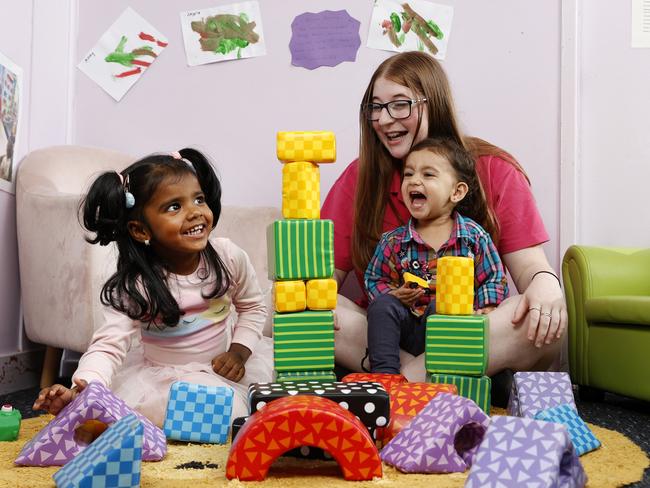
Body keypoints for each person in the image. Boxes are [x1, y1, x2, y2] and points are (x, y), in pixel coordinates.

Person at [321, 51, 566, 380]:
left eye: (400, 104)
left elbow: (531, 270)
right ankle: (428, 379)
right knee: (293, 307)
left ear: (432, 103)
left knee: (533, 317)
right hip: (388, 336)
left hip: (464, 330)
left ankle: (398, 385)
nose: (384, 119)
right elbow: (322, 282)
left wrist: (547, 288)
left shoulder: (495, 169)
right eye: (376, 107)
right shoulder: (360, 177)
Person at [32, 148, 273, 426]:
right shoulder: (138, 283)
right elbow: (109, 344)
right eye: (174, 207)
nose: (195, 212)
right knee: (133, 413)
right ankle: (92, 412)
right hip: (161, 377)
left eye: (199, 199)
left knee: (231, 406)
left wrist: (239, 352)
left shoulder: (228, 256)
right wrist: (83, 389)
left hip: (218, 370)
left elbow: (253, 306)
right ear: (140, 230)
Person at [365, 137, 508, 373]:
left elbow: (494, 277)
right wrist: (394, 294)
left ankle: (446, 373)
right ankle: (386, 375)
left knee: (444, 307)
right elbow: (374, 279)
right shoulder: (394, 241)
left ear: (457, 192)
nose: (414, 180)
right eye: (409, 174)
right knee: (382, 307)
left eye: (428, 175)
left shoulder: (474, 237)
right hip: (408, 327)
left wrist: (485, 307)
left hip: (451, 330)